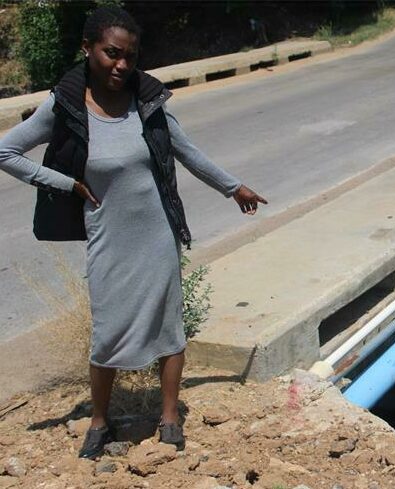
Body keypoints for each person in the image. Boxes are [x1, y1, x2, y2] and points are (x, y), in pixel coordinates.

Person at [0, 6, 267, 458]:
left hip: (157, 235)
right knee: (108, 330)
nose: (122, 64)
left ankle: (169, 417)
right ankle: (99, 421)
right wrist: (66, 184)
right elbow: (6, 151)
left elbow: (187, 151)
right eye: (112, 53)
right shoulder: (65, 107)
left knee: (168, 325)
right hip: (108, 237)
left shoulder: (147, 102)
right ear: (87, 49)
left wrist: (233, 187)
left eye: (130, 55)